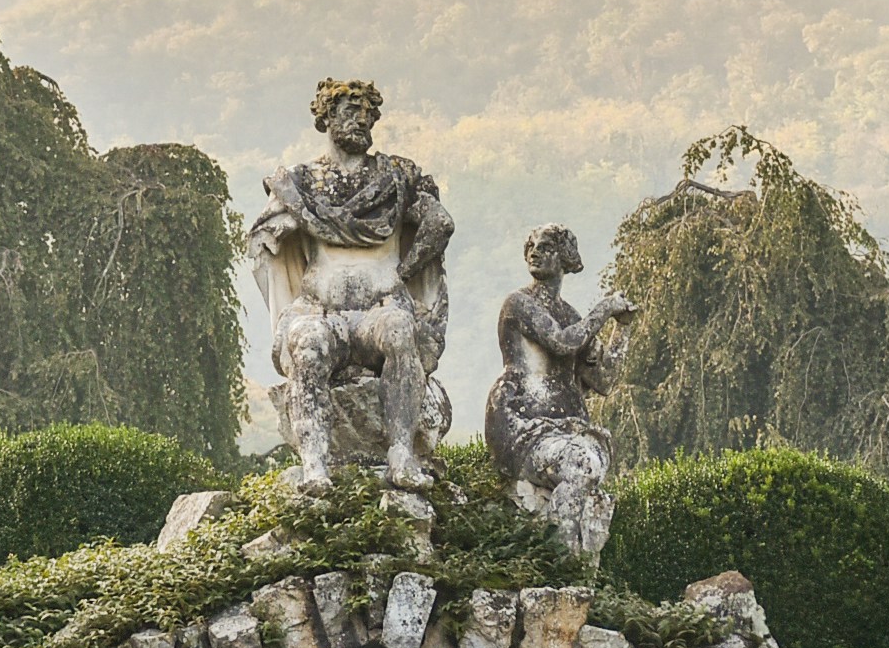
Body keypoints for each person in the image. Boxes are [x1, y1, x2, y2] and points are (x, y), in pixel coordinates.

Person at [246, 79, 454, 487]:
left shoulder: (394, 178)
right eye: (350, 111)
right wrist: (285, 223)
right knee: (307, 345)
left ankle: (400, 457)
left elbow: (439, 222)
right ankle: (315, 465)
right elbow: (263, 238)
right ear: (325, 117)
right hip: (319, 309)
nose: (361, 120)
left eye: (367, 114)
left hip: (381, 307)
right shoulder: (301, 182)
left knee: (399, 332)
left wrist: (406, 271)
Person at [485, 225, 632, 554]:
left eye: (546, 246)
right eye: (532, 246)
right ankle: (560, 553)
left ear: (565, 257)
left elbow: (604, 380)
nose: (535, 251)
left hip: (564, 430)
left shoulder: (570, 316)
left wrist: (623, 329)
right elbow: (563, 343)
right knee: (580, 462)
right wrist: (605, 309)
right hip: (521, 420)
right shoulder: (519, 304)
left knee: (587, 462)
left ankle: (566, 552)